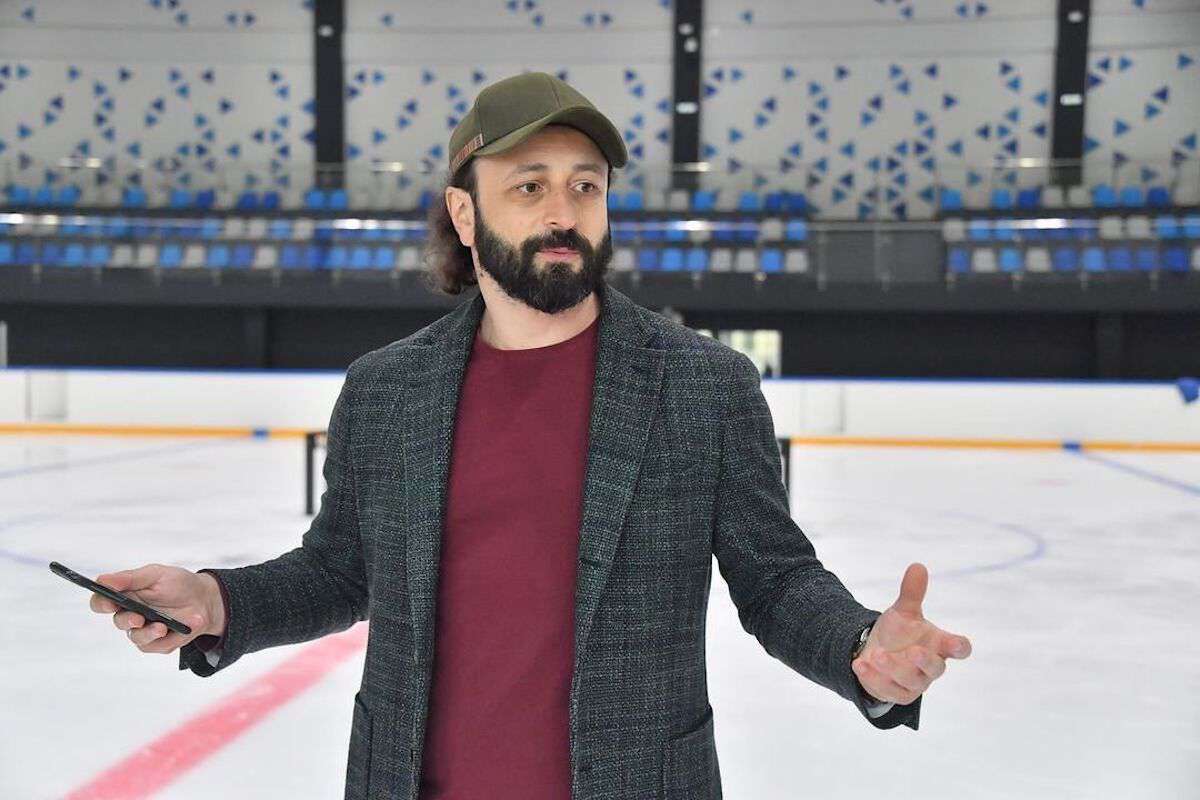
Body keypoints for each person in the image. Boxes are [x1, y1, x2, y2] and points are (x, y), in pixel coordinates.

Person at [89, 72, 972, 800]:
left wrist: (859, 647)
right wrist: (216, 602)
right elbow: (342, 570)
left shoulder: (703, 385)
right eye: (529, 185)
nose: (564, 210)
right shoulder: (387, 389)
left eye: (586, 186)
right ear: (464, 214)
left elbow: (775, 581)